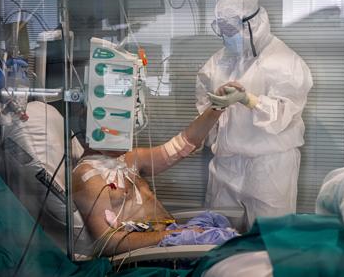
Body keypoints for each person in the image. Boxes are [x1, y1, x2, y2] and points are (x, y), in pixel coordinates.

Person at [196, 0, 313, 227]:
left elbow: (283, 115)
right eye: (223, 31)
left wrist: (248, 99)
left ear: (255, 23)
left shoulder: (285, 62)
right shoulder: (217, 62)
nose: (228, 37)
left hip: (269, 168)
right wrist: (213, 110)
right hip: (226, 165)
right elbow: (203, 106)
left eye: (231, 30)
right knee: (219, 238)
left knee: (268, 242)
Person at [72, 106, 228, 256]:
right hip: (153, 253)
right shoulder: (88, 176)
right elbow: (108, 242)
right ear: (96, 132)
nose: (128, 135)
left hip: (169, 239)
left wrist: (216, 108)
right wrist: (173, 235)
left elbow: (184, 144)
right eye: (118, 129)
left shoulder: (128, 159)